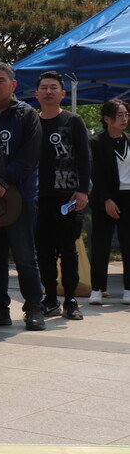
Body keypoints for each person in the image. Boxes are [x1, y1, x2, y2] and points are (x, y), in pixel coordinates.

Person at [0, 63, 45, 331]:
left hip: (21, 199)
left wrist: (3, 180)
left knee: (25, 257)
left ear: (13, 85)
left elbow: (29, 157)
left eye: (0, 81)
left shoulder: (27, 115)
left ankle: (34, 308)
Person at [35, 70, 90, 320]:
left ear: (62, 93)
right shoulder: (31, 122)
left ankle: (70, 300)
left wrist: (82, 191)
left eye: (53, 87)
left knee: (68, 250)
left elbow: (85, 158)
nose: (48, 91)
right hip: (38, 198)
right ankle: (49, 298)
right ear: (36, 93)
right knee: (44, 252)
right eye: (44, 87)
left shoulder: (73, 121)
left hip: (67, 198)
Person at [88, 99, 130, 305]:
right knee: (100, 244)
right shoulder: (96, 142)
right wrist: (106, 199)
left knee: (128, 244)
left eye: (126, 115)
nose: (124, 119)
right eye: (120, 115)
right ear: (107, 119)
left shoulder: (129, 140)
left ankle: (128, 289)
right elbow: (95, 173)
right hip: (104, 198)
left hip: (128, 196)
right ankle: (97, 289)